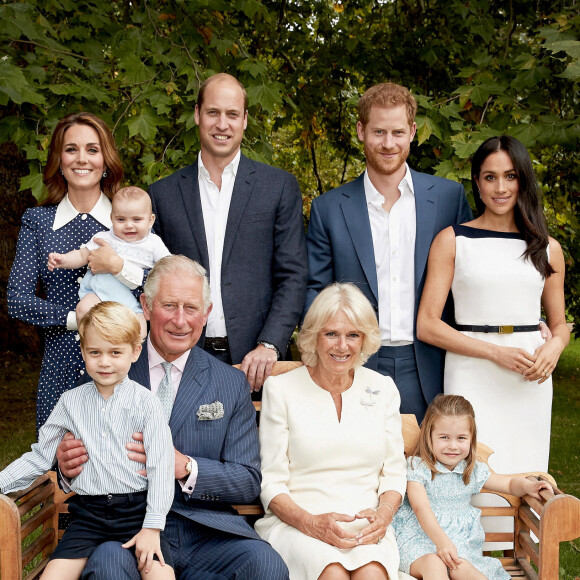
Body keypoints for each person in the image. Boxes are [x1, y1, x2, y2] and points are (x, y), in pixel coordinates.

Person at [57, 255, 289, 580]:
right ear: (146, 307)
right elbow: (70, 460)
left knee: (265, 565)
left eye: (191, 308)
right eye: (169, 305)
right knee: (108, 562)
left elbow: (247, 480)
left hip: (206, 531)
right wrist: (67, 467)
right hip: (125, 529)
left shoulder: (229, 383)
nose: (180, 321)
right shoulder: (106, 369)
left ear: (206, 314)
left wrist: (185, 467)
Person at [305, 82, 472, 422]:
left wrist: (524, 323)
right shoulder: (329, 208)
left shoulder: (448, 198)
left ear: (412, 131)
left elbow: (472, 275)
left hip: (431, 361)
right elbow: (314, 289)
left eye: (397, 132)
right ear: (361, 131)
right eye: (378, 131)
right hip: (356, 362)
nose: (388, 143)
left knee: (434, 471)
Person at [416, 135, 569, 474]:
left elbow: (559, 324)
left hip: (530, 377)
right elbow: (427, 324)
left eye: (511, 176)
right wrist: (496, 352)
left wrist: (555, 347)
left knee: (526, 471)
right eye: (490, 177)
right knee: (469, 473)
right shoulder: (453, 240)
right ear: (477, 181)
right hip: (471, 371)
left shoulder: (547, 248)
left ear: (523, 180)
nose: (501, 187)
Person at [147, 72, 307, 392]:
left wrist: (270, 345)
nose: (223, 124)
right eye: (213, 113)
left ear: (245, 120)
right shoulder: (162, 195)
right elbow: (151, 279)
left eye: (232, 114)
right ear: (197, 115)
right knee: (181, 444)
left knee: (255, 444)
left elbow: (293, 274)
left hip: (257, 363)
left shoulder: (277, 187)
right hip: (182, 357)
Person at [0, 302, 175, 580]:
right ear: (83, 351)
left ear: (135, 352)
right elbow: (39, 456)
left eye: (115, 352)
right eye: (95, 352)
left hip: (137, 513)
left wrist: (152, 527)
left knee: (161, 576)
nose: (104, 362)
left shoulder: (146, 403)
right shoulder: (71, 402)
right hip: (88, 516)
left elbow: (161, 467)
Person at [255, 283, 406, 580]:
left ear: (364, 340)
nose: (342, 346)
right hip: (298, 525)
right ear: (313, 336)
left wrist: (383, 515)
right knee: (332, 573)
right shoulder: (281, 389)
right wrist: (311, 523)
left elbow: (395, 474)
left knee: (372, 574)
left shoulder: (383, 388)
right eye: (331, 334)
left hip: (365, 527)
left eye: (353, 335)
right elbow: (271, 482)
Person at [6, 112, 140, 430]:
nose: (82, 159)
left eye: (92, 150)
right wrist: (76, 319)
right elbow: (17, 299)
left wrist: (119, 266)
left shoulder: (130, 221)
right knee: (61, 469)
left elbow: (154, 287)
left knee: (127, 468)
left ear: (106, 162)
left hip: (124, 368)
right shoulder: (38, 222)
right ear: (59, 160)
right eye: (71, 149)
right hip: (61, 365)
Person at [392, 394, 551, 580]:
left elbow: (508, 483)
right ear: (429, 436)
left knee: (462, 568)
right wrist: (441, 542)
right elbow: (421, 508)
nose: (453, 446)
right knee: (434, 565)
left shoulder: (471, 470)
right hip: (420, 541)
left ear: (471, 438)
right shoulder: (418, 468)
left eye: (461, 438)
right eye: (444, 437)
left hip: (461, 546)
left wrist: (528, 486)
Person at [48, 186, 170, 338]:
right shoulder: (104, 237)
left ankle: (125, 357)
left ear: (150, 220)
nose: (129, 225)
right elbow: (81, 255)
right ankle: (92, 344)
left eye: (137, 219)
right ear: (111, 218)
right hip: (98, 295)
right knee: (83, 309)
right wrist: (63, 260)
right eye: (121, 219)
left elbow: (168, 267)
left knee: (141, 330)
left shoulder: (154, 243)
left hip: (131, 302)